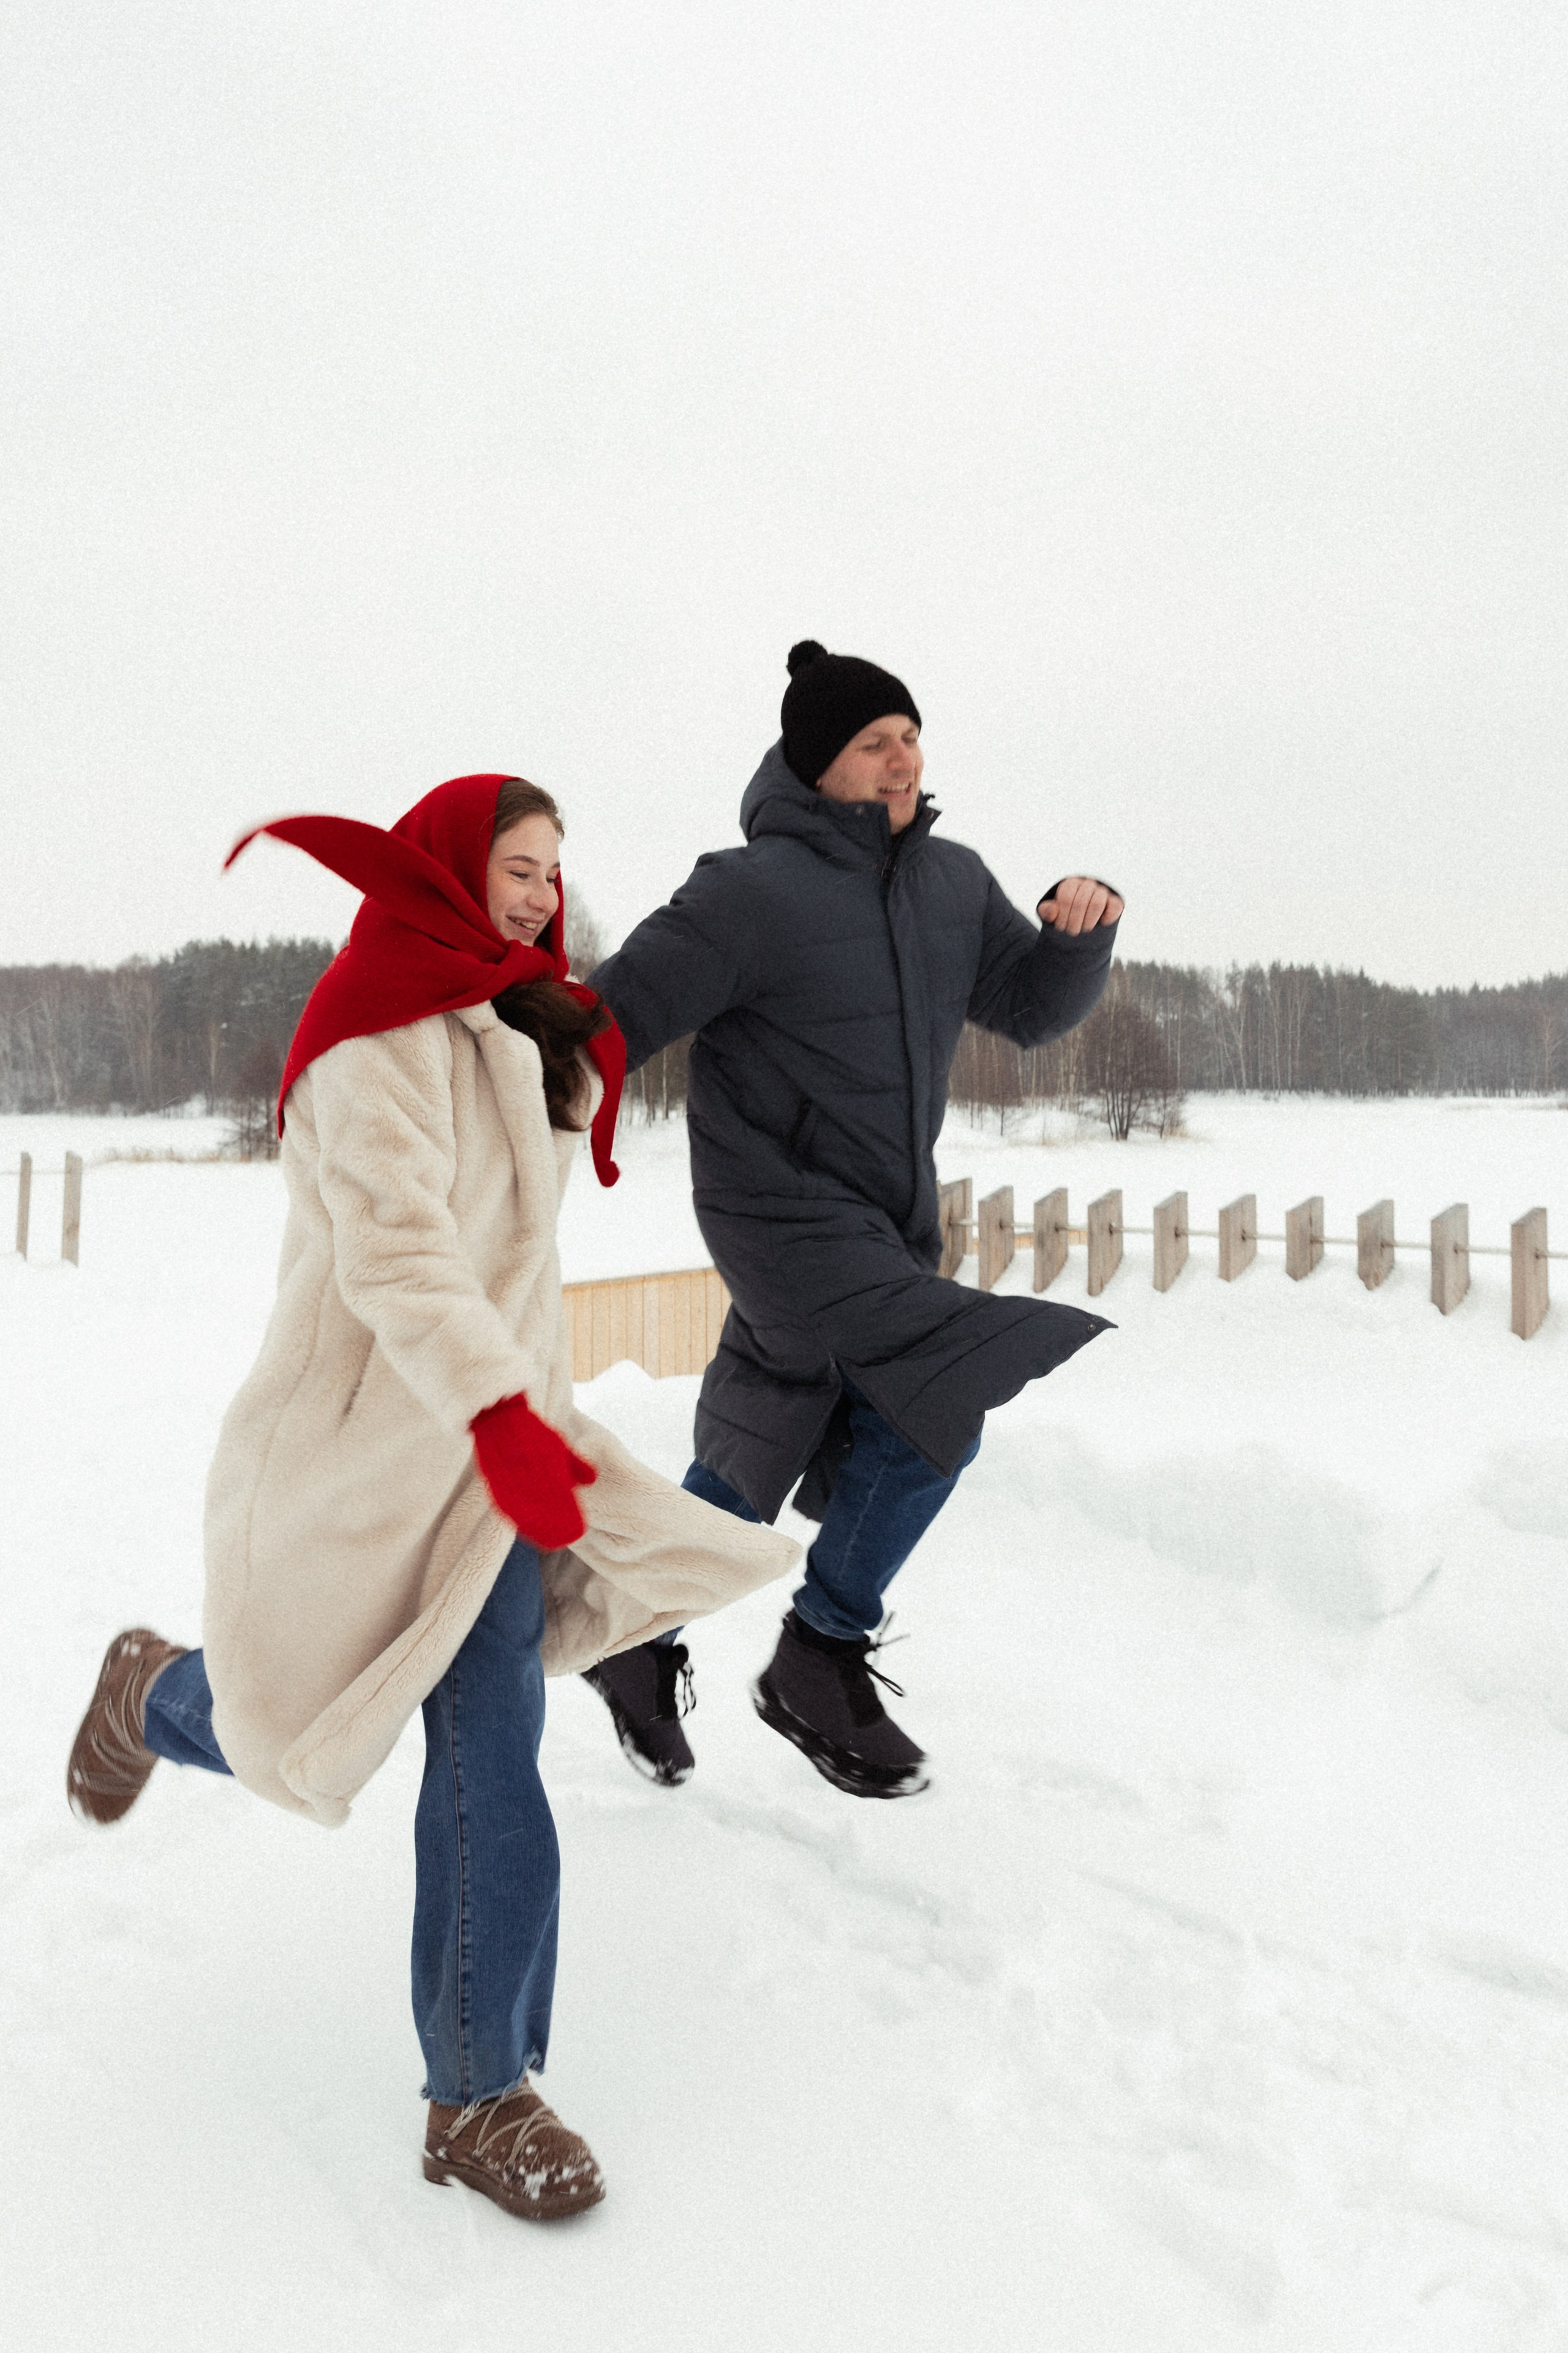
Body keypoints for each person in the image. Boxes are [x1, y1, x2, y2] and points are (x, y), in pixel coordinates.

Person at [65, 773, 796, 2224]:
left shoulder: (514, 1023)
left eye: (551, 872)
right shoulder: (374, 1031)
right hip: (366, 1451)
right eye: (515, 867)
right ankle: (154, 1691)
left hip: (488, 1461)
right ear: (451, 870)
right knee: (288, 1716)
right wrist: (499, 1411)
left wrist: (520, 1417)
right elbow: (396, 1256)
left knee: (490, 1744)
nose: (538, 896)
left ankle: (478, 2091)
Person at [581, 641, 1122, 1801]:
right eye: (875, 742)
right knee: (943, 1381)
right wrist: (487, 1045)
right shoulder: (747, 892)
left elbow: (1029, 1007)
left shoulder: (951, 883)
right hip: (772, 1212)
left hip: (880, 1225)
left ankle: (632, 1629)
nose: (902, 759)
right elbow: (610, 1017)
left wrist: (1079, 941)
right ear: (817, 763)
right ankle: (821, 1651)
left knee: (766, 1435)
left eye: (911, 737)